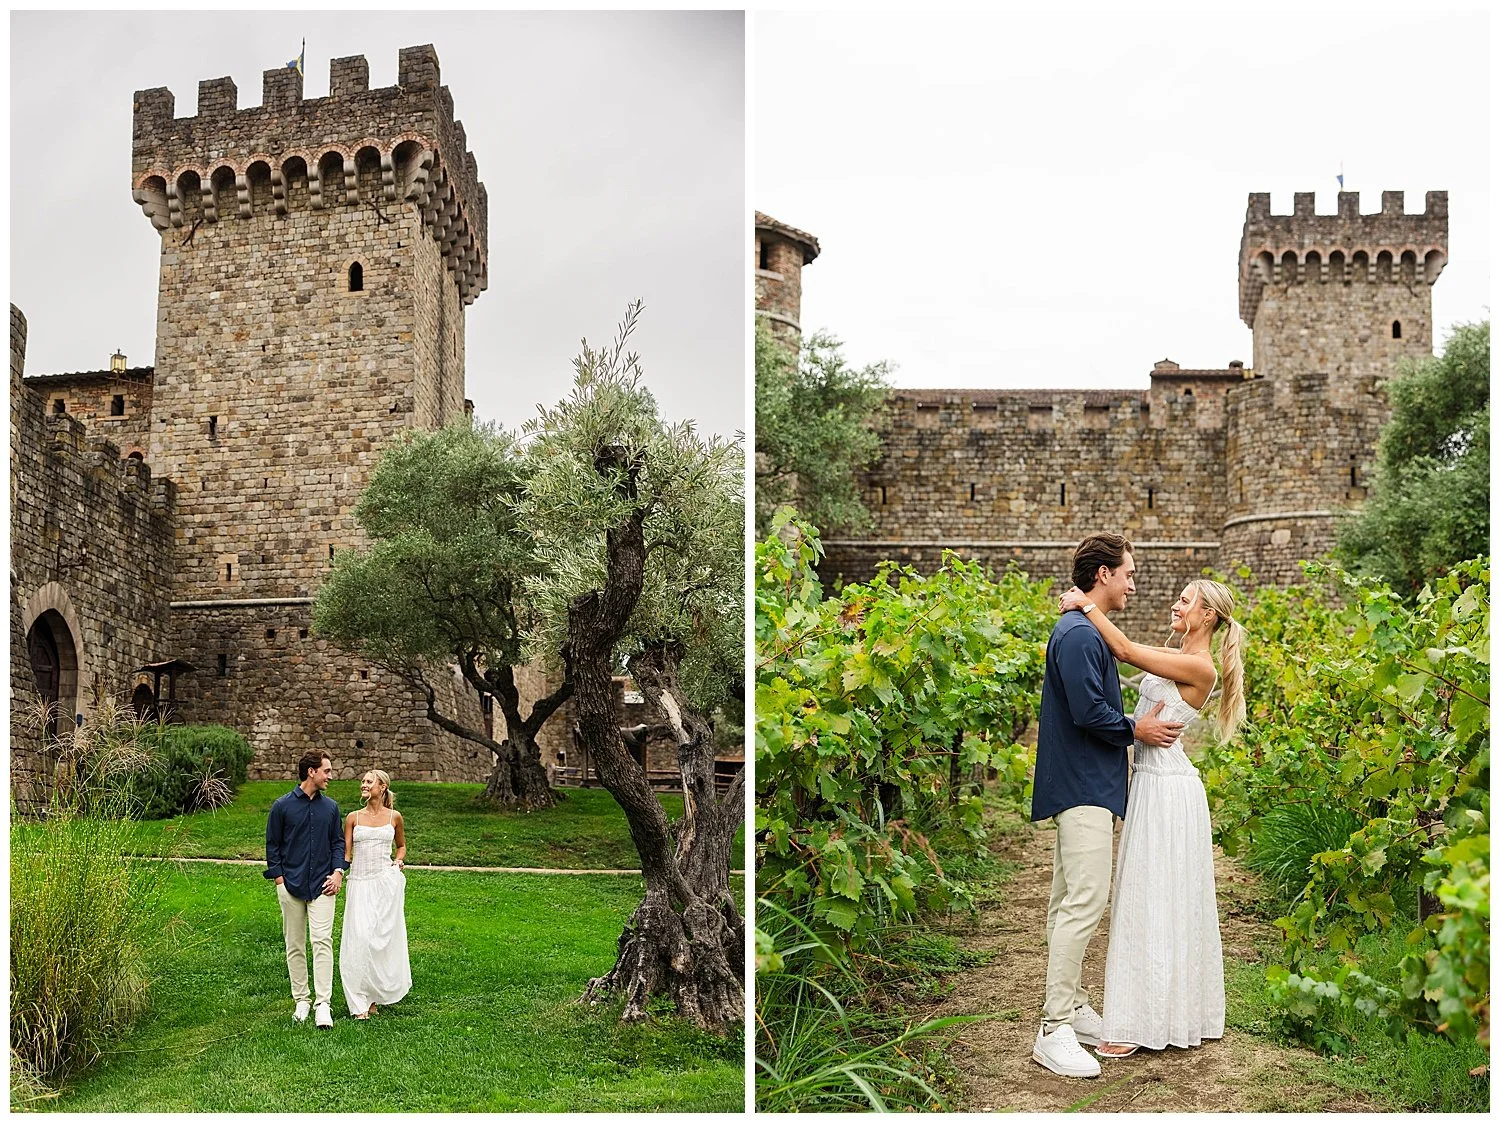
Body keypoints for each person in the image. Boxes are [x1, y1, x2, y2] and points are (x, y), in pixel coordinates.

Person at [1058, 578, 1245, 1058]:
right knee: (1149, 897)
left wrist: (1084, 603)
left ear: (1207, 616)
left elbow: (1121, 648)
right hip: (1149, 783)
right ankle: (1158, 1014)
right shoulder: (1180, 656)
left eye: (1185, 600)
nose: (1174, 603)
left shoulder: (1198, 666)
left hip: (1168, 789)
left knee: (1153, 898)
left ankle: (1140, 1024)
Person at [1029, 534, 1186, 1079]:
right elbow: (1088, 710)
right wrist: (1134, 727)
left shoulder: (1083, 629)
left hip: (1086, 782)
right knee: (1085, 902)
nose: (1134, 583)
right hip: (1082, 785)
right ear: (1102, 575)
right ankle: (1053, 1028)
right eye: (1127, 574)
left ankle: (1069, 1006)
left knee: (1068, 898)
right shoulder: (1075, 635)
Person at [265, 750, 346, 1029]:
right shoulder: (282, 806)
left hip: (324, 885)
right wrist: (279, 880)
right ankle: (301, 1000)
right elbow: (272, 846)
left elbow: (338, 843)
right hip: (290, 886)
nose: (330, 776)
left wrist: (338, 872)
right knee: (294, 944)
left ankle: (323, 1004)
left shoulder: (331, 808)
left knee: (322, 941)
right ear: (311, 771)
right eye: (327, 770)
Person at [339, 769, 411, 1019]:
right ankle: (358, 1002)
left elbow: (401, 847)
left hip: (383, 883)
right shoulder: (352, 818)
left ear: (382, 787)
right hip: (359, 884)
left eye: (369, 781)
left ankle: (373, 997)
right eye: (363, 781)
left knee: (379, 941)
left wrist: (398, 862)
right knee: (359, 939)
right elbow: (346, 855)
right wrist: (337, 872)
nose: (364, 784)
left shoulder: (394, 817)